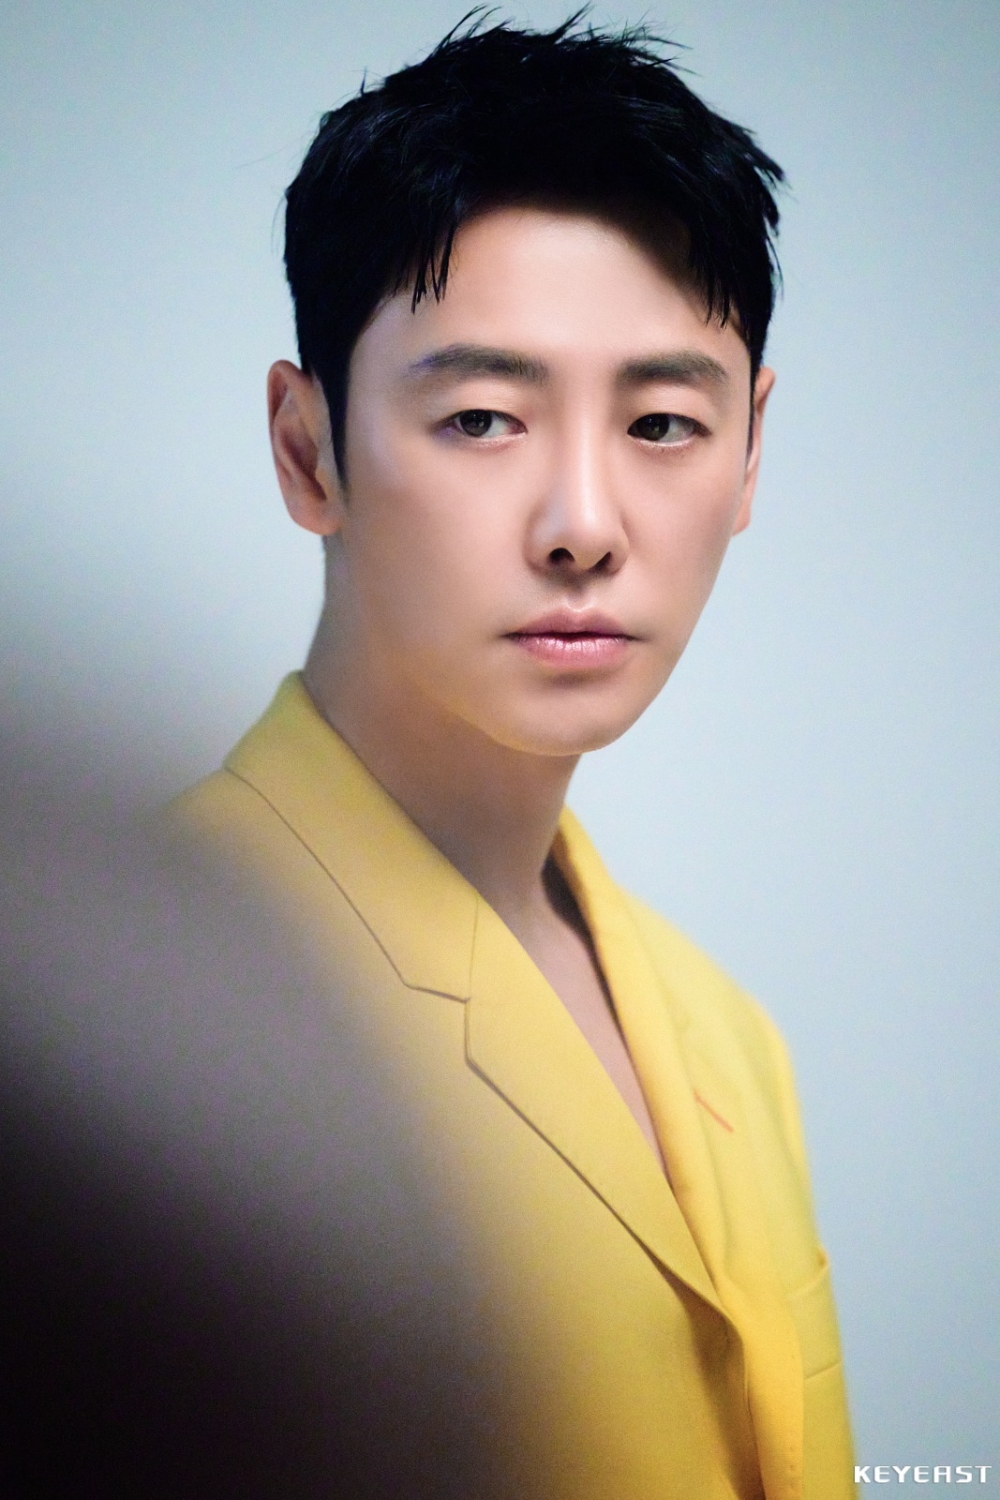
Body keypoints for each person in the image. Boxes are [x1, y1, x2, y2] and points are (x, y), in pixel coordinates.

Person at [175, 16, 856, 1499]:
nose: (584, 525)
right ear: (306, 449)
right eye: (482, 417)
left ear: (751, 452)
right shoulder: (144, 1021)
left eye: (663, 422)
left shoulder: (727, 1035)